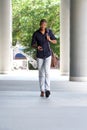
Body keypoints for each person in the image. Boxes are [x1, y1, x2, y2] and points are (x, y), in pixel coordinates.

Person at [31, 19, 57, 98]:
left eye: (45, 25)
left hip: (48, 55)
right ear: (40, 25)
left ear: (46, 25)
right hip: (40, 55)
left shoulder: (49, 32)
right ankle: (42, 90)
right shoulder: (36, 33)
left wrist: (50, 40)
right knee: (41, 73)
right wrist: (37, 46)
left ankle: (47, 90)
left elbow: (55, 41)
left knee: (47, 72)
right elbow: (32, 44)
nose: (43, 26)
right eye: (42, 25)